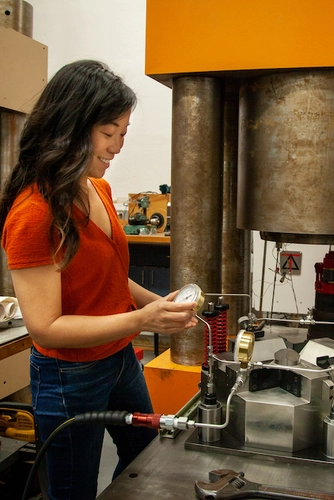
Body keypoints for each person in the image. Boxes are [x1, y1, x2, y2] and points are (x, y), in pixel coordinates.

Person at [0, 60, 198, 499]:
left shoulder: (97, 188)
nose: (118, 146)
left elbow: (111, 278)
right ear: (70, 126)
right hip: (70, 375)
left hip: (119, 360)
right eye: (109, 133)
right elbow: (45, 327)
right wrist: (141, 320)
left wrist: (161, 305)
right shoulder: (33, 214)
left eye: (124, 133)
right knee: (73, 490)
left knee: (147, 460)